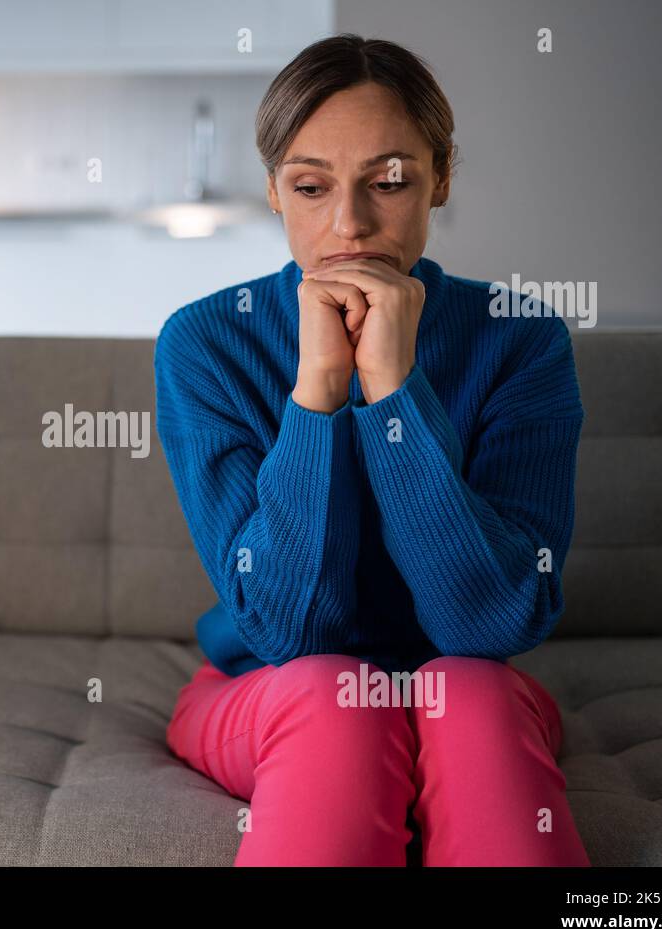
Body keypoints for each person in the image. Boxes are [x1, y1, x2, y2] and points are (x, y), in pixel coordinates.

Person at [154, 33, 590, 866]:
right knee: (332, 696)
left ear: (442, 177)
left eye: (387, 182)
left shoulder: (522, 342)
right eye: (311, 187)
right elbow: (289, 631)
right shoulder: (206, 343)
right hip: (271, 688)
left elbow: (492, 621)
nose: (348, 226)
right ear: (276, 193)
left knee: (466, 690)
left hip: (466, 688)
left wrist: (393, 384)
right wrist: (318, 389)